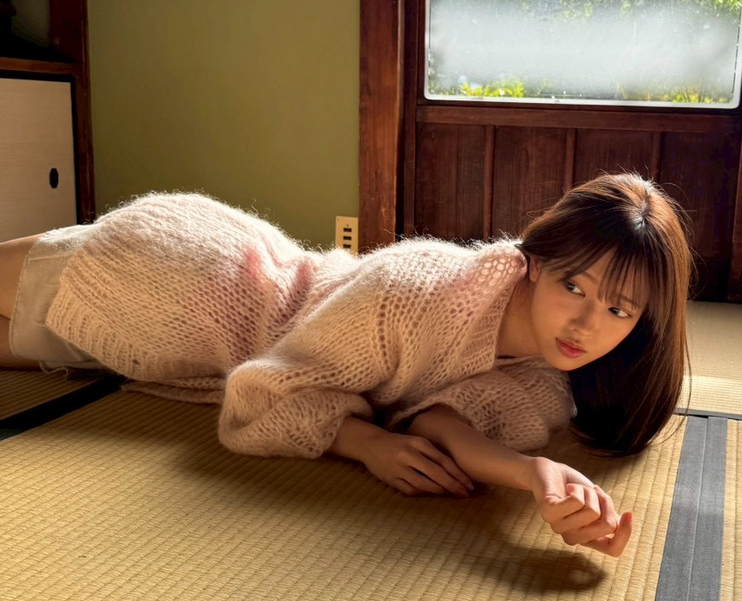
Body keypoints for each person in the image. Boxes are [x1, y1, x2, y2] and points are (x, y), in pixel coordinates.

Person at [0, 172, 693, 558]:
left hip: (176, 352)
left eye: (618, 309)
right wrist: (364, 443)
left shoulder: (547, 377)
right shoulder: (417, 291)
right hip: (181, 278)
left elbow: (447, 421)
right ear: (534, 262)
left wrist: (533, 476)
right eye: (574, 286)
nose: (586, 325)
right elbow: (268, 391)